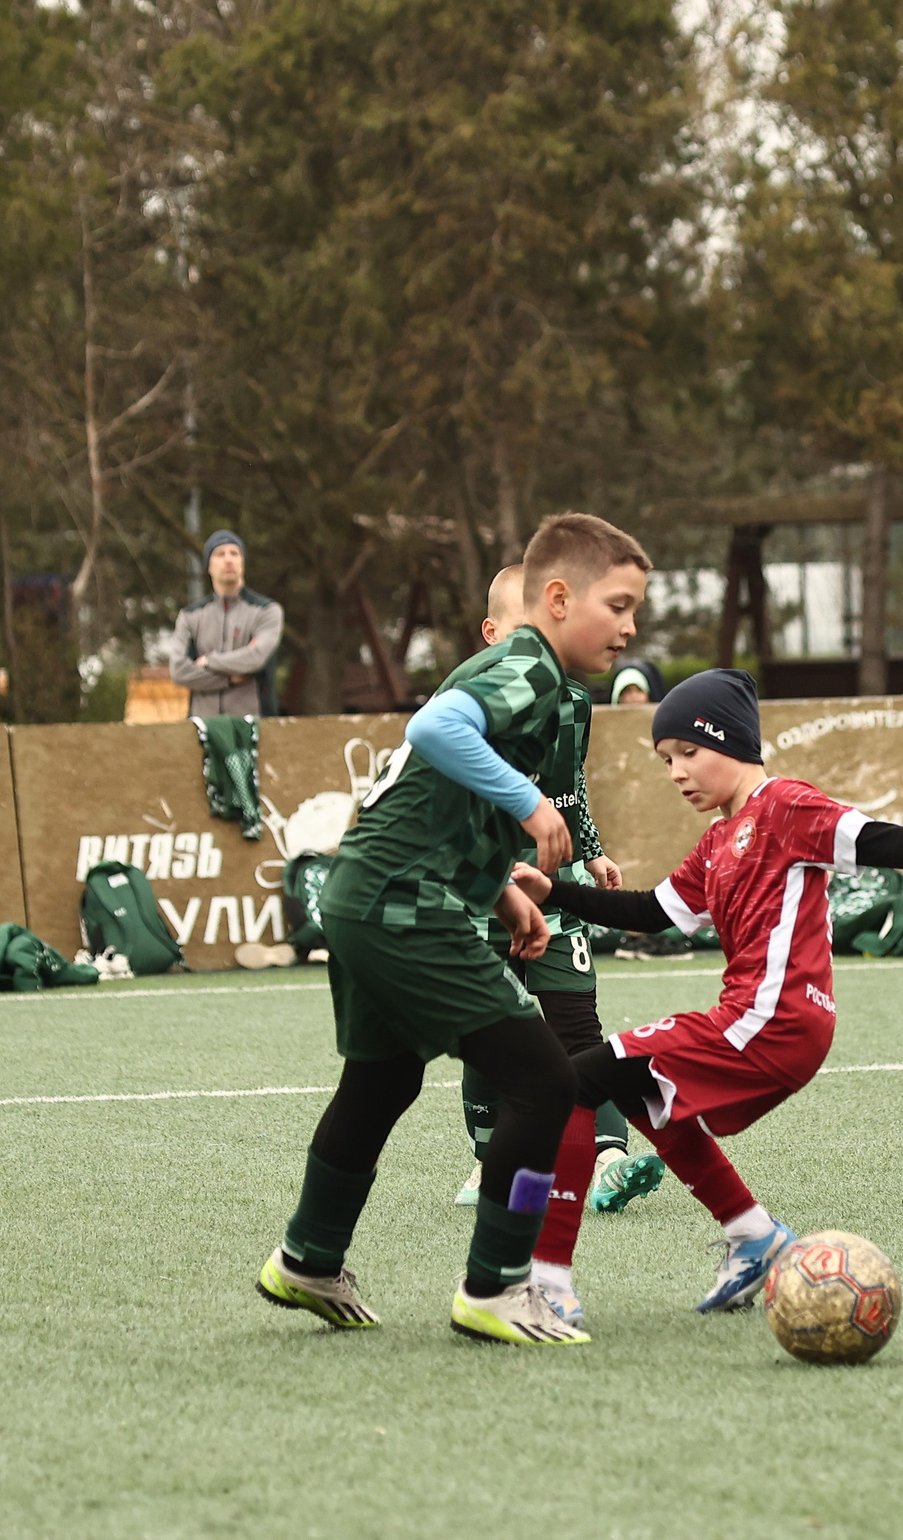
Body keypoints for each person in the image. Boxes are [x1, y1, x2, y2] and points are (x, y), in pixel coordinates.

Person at [507, 668, 903, 1323]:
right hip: (755, 1021)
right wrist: (555, 893)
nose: (676, 772)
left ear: (731, 742)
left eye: (688, 753)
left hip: (771, 1022)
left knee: (574, 1081)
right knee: (643, 1095)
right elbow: (648, 912)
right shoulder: (719, 841)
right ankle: (752, 1236)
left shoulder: (784, 805)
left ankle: (546, 1283)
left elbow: (869, 838)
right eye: (666, 760)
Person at [254, 513, 651, 1347]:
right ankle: (495, 1288)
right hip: (404, 902)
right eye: (617, 604)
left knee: (382, 1082)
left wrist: (503, 892)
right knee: (544, 1082)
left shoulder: (535, 675)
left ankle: (309, 1257)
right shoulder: (531, 665)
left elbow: (435, 793)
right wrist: (530, 804)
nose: (630, 626)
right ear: (556, 597)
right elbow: (433, 730)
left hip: (367, 891)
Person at [453, 566, 666, 1219]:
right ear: (491, 634)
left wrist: (591, 849)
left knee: (576, 1026)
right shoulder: (466, 700)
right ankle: (492, 1162)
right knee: (489, 1032)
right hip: (482, 890)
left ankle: (605, 1158)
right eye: (522, 634)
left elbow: (569, 786)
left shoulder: (571, 699)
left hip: (557, 884)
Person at [169, 531, 285, 717]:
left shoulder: (267, 611)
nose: (228, 559)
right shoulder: (190, 616)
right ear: (208, 566)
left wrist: (208, 662)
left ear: (243, 562)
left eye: (234, 553)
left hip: (254, 724)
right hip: (202, 727)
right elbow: (178, 671)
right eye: (220, 554)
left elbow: (256, 658)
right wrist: (230, 679)